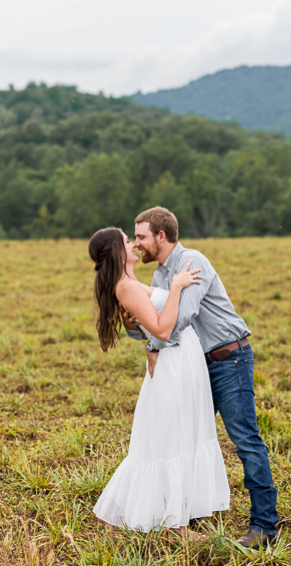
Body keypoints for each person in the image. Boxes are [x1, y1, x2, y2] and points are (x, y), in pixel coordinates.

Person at [124, 207, 279, 548]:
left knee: (245, 439)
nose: (137, 244)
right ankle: (187, 514)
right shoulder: (161, 277)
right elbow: (153, 327)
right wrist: (133, 324)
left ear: (161, 236)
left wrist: (153, 343)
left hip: (228, 359)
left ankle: (265, 525)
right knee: (186, 437)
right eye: (135, 238)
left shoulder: (192, 262)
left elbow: (178, 320)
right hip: (194, 365)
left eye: (141, 237)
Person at [88, 227, 230, 535]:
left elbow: (149, 324)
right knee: (170, 437)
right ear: (116, 250)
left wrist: (136, 325)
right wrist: (177, 287)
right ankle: (174, 526)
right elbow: (164, 330)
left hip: (182, 360)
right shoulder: (125, 287)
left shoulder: (130, 283)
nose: (133, 244)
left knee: (179, 434)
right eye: (128, 240)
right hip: (172, 363)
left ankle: (174, 513)